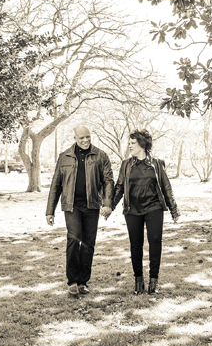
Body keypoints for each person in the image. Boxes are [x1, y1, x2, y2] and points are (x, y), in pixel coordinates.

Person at [46, 125, 114, 297]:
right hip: (72, 206)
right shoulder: (64, 157)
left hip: (92, 205)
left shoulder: (100, 155)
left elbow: (108, 181)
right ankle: (72, 281)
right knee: (74, 239)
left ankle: (83, 282)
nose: (85, 140)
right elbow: (56, 185)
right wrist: (50, 211)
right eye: (81, 138)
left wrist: (107, 203)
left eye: (87, 137)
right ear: (75, 138)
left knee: (88, 244)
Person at [111, 129, 179, 295]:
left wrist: (174, 209)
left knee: (155, 242)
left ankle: (153, 281)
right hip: (132, 209)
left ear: (142, 144)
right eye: (129, 143)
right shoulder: (126, 164)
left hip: (153, 207)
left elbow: (166, 187)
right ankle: (138, 281)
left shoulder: (157, 164)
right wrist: (109, 206)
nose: (130, 146)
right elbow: (119, 187)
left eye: (133, 143)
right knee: (136, 244)